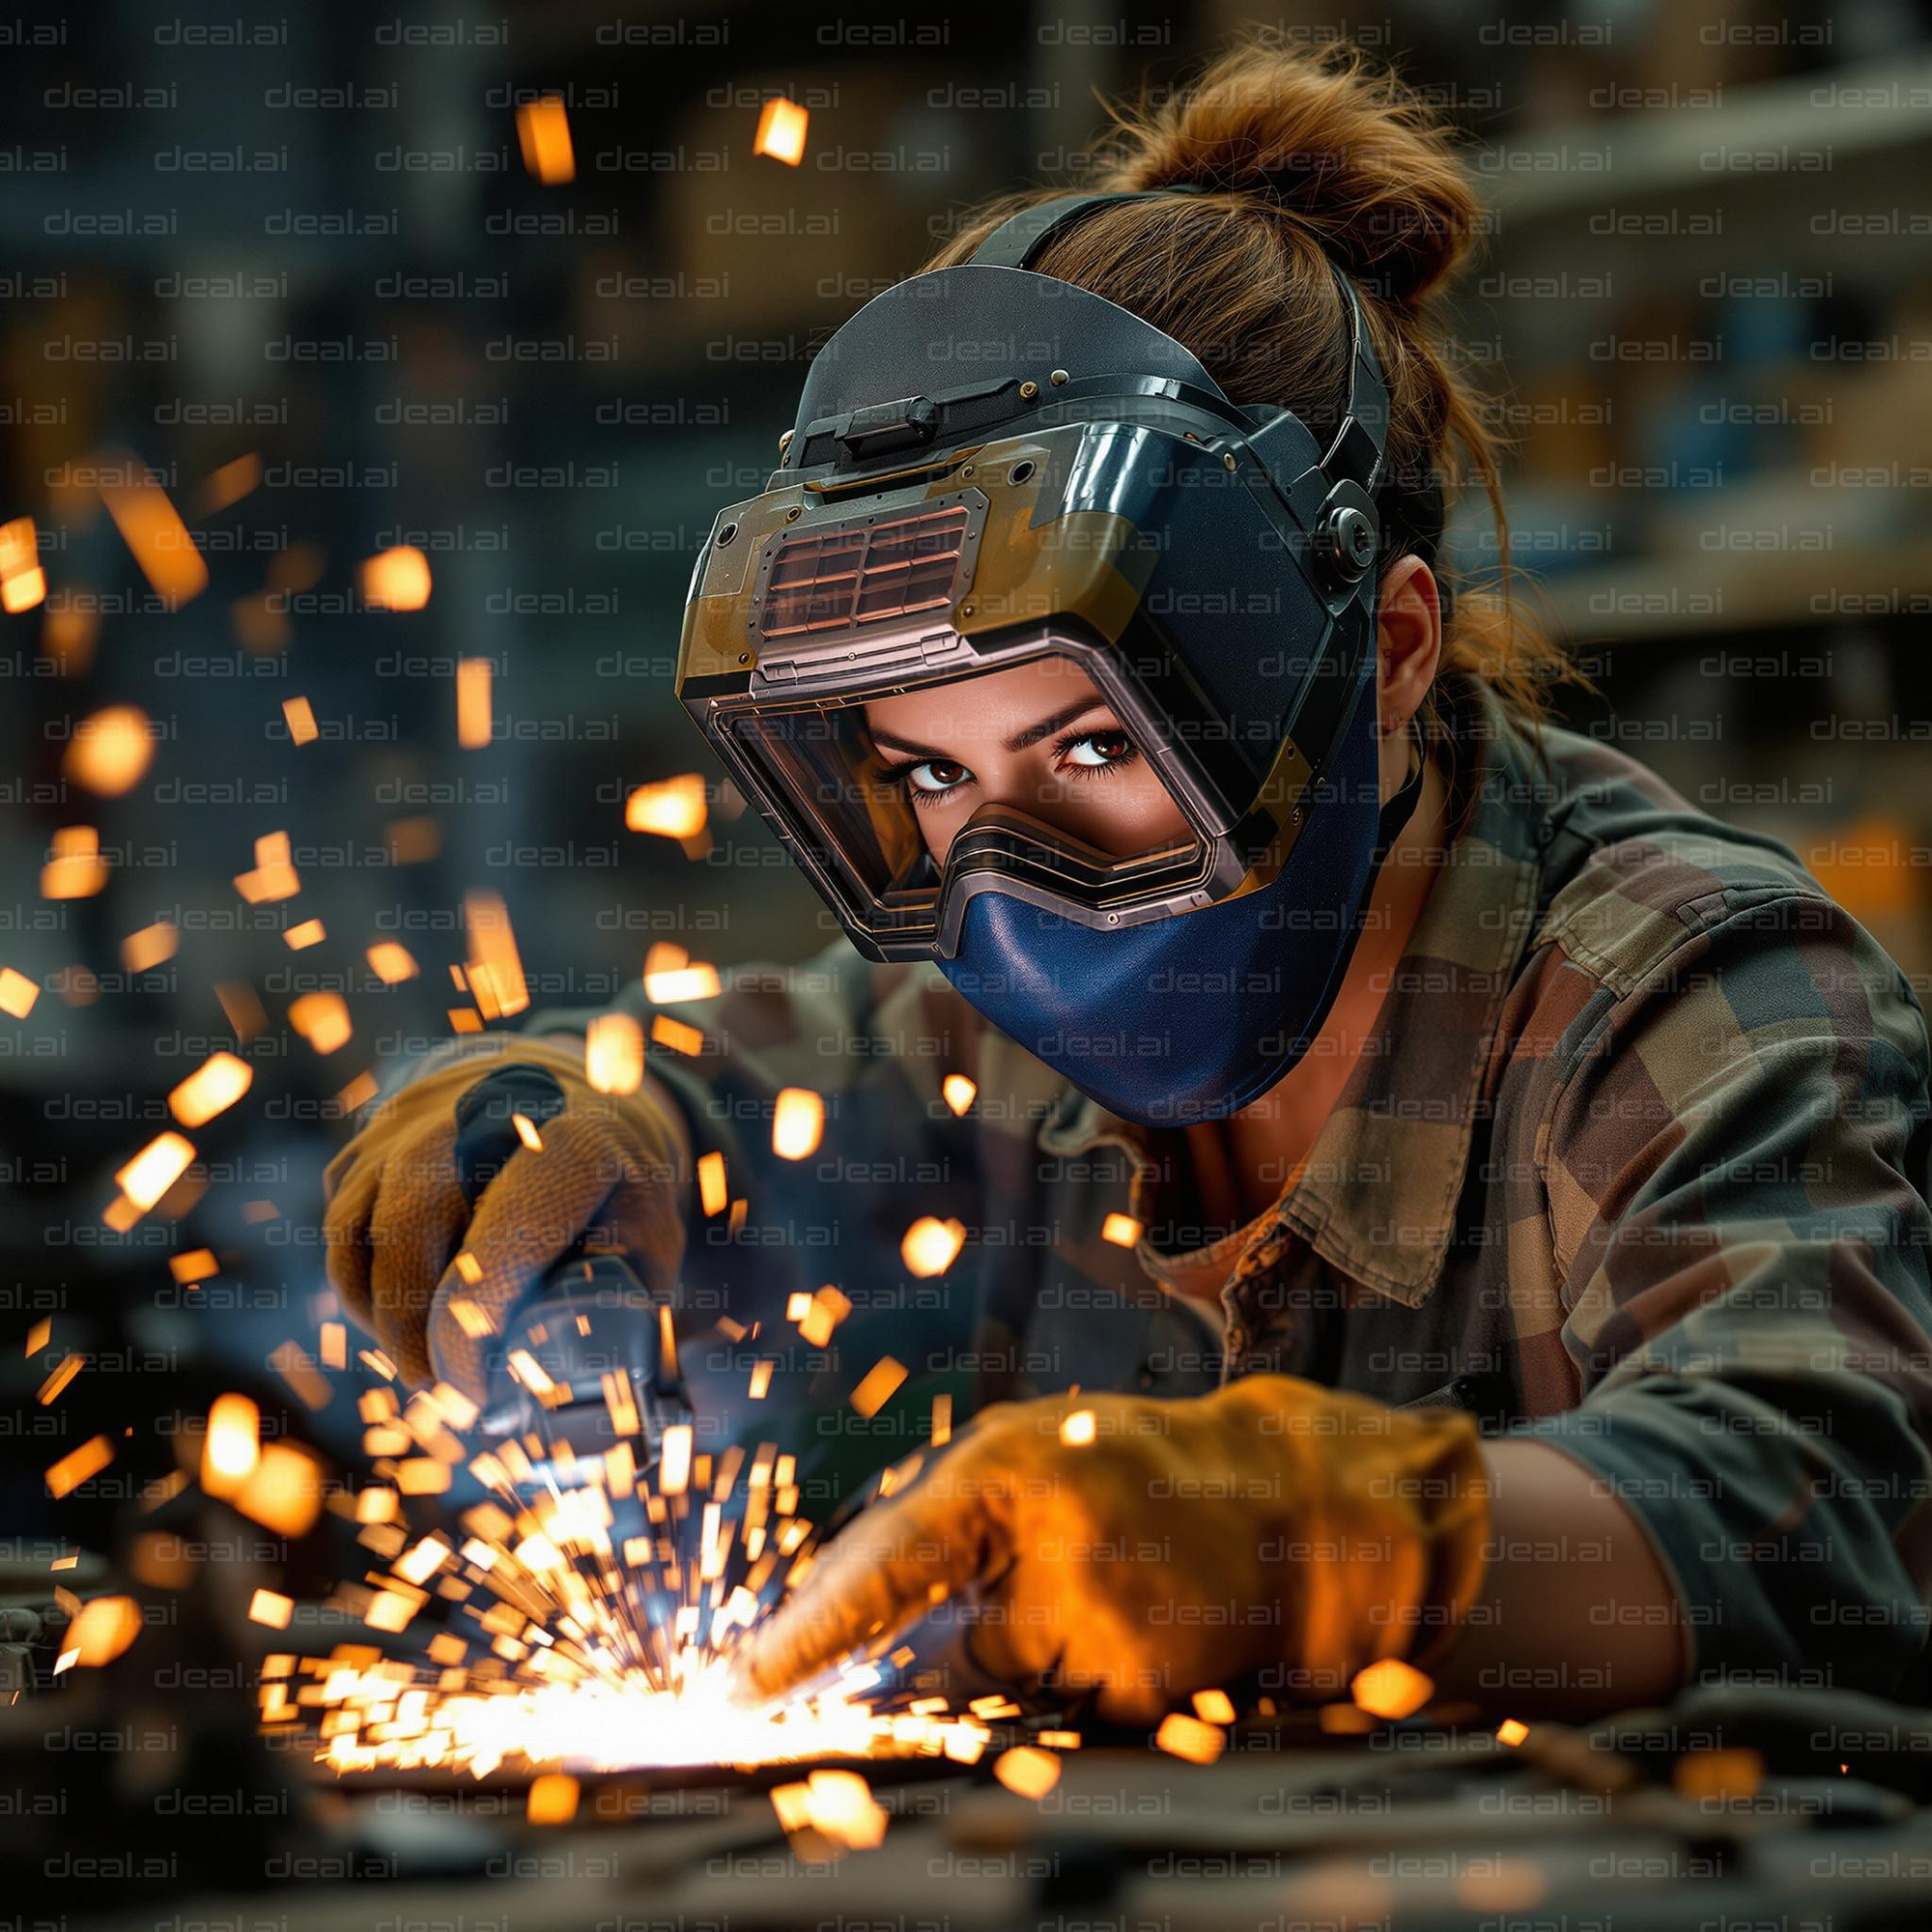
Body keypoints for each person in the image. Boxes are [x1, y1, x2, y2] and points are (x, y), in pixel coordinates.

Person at [325, 33, 1932, 1727]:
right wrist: (537, 1126)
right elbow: (697, 1092)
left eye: (1094, 747)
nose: (1017, 876)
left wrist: (1318, 1546)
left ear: (1382, 654)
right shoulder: (990, 1042)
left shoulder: (1701, 1002)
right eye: (936, 772)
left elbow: (1824, 1517)